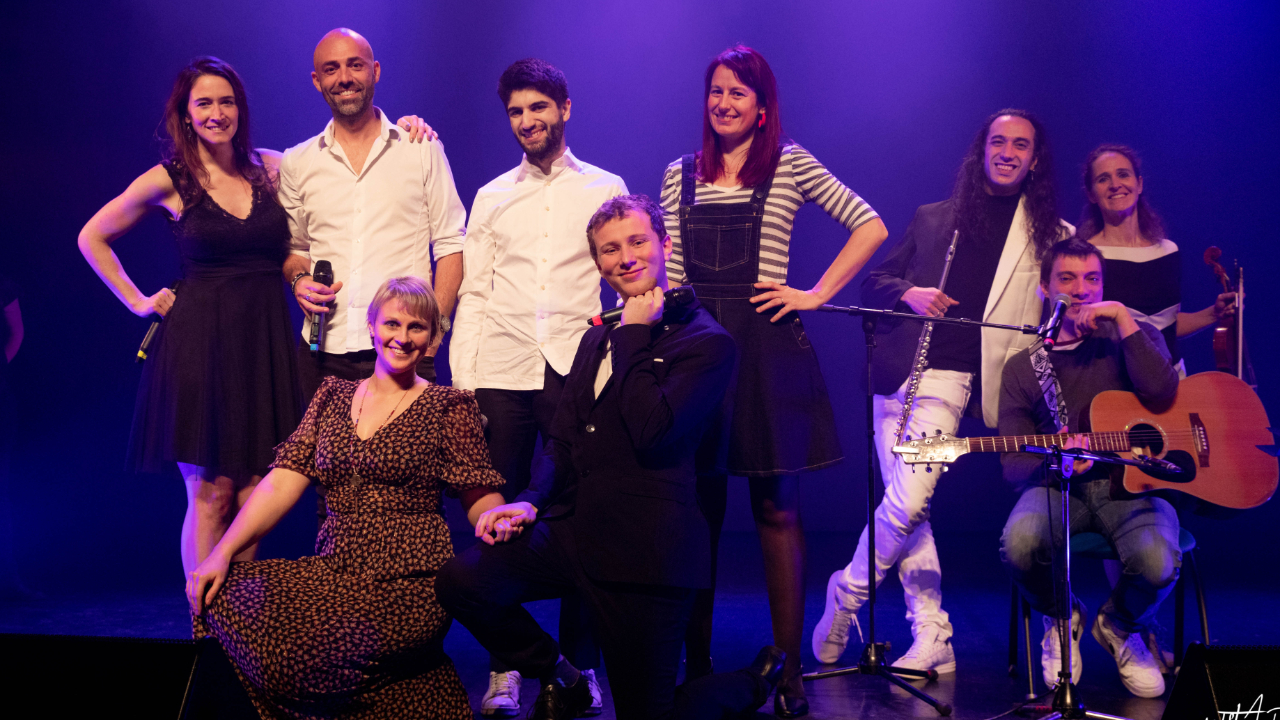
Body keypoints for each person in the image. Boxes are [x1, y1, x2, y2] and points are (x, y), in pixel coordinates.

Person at [436, 195, 782, 720]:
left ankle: (750, 685)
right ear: (597, 263)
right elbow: (563, 439)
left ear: (664, 246)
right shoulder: (596, 339)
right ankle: (565, 676)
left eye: (637, 242)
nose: (625, 258)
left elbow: (654, 433)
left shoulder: (708, 344)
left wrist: (635, 333)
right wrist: (530, 502)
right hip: (576, 532)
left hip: (649, 553)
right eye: (609, 250)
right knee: (464, 581)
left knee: (651, 712)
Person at [657, 45, 888, 715]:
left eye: (738, 92)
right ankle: (693, 664)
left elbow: (868, 224)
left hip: (767, 350)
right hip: (697, 352)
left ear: (762, 108)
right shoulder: (679, 175)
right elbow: (671, 275)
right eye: (715, 92)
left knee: (777, 511)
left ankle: (787, 673)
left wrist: (814, 293)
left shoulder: (789, 164)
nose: (723, 102)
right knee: (696, 514)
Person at [814, 109, 1073, 675]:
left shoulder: (1053, 236)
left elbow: (1061, 313)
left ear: (1035, 160)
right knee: (913, 509)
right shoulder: (936, 218)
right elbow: (876, 280)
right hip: (898, 374)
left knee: (904, 504)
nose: (1007, 152)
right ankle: (932, 633)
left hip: (954, 384)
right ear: (981, 150)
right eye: (998, 141)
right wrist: (910, 293)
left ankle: (847, 594)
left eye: (1021, 145)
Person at [186, 276, 507, 719]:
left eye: (417, 327)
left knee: (324, 654)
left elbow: (479, 492)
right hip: (333, 568)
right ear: (372, 326)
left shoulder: (449, 406)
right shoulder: (332, 396)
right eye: (392, 323)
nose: (403, 337)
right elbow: (282, 481)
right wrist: (222, 553)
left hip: (407, 579)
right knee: (218, 593)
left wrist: (496, 516)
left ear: (432, 338)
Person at [78, 57, 303, 576]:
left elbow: (336, 159)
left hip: (262, 342)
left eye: (227, 102)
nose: (217, 112)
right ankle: (205, 631)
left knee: (252, 492)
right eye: (204, 103)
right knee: (212, 494)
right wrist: (137, 300)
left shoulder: (271, 168)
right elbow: (92, 236)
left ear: (240, 110)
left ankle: (240, 630)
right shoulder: (170, 179)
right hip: (201, 345)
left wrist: (403, 127)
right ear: (184, 114)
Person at [450, 58, 626, 716]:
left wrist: (616, 364)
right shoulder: (493, 195)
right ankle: (509, 669)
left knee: (581, 516)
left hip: (576, 371)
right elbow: (475, 292)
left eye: (538, 108)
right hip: (502, 370)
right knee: (498, 521)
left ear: (565, 109)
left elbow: (620, 280)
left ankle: (582, 663)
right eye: (517, 112)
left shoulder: (605, 186)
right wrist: (464, 385)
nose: (528, 121)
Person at [999, 238, 1180, 698]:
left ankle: (1119, 626)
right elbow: (1012, 464)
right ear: (1044, 288)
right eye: (1067, 278)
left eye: (1092, 279)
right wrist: (1057, 463)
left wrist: (1122, 317)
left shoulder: (1130, 336)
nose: (1082, 290)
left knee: (1158, 562)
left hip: (1132, 489)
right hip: (1060, 490)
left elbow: (1163, 392)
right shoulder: (1024, 367)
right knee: (1019, 544)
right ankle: (1062, 617)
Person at [282, 28, 466, 400]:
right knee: (321, 460)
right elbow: (295, 250)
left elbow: (450, 245)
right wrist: (299, 279)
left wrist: (434, 336)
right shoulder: (297, 162)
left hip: (405, 352)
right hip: (323, 353)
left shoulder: (420, 148)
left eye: (356, 66)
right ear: (317, 81)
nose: (345, 78)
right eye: (331, 69)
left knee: (407, 460)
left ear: (375, 71)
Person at [1078, 144, 1235, 377]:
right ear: (1091, 194)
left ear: (1139, 184)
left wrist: (1214, 314)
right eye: (1103, 179)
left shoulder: (1168, 251)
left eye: (1123, 174)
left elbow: (1168, 326)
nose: (1115, 185)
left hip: (1173, 379)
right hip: (1116, 384)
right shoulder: (1087, 257)